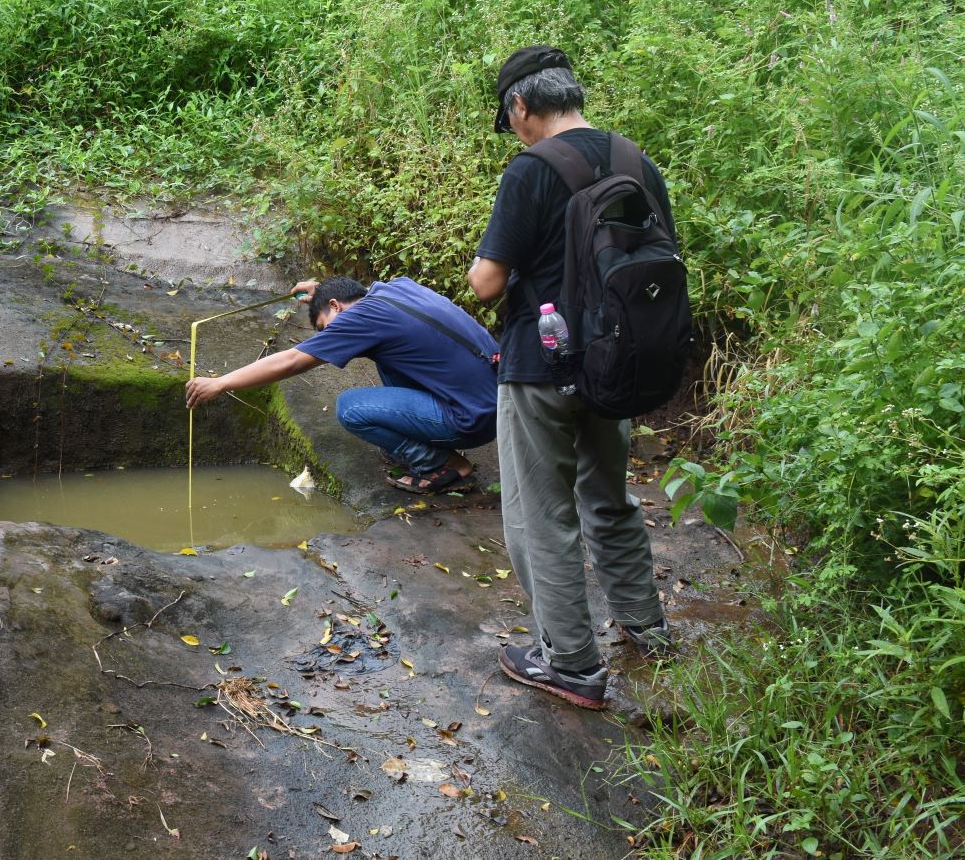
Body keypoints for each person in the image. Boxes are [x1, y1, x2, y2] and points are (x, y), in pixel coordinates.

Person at [467, 45, 675, 711]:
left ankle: (571, 663)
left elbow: (485, 283)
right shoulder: (635, 161)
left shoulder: (531, 170)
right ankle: (647, 627)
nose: (515, 130)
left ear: (521, 106)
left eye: (511, 119)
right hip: (614, 362)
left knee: (540, 515)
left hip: (540, 366)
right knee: (608, 498)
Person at [185, 276, 498, 494]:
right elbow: (350, 292)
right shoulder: (394, 289)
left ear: (335, 305)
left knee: (351, 408)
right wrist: (320, 289)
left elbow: (291, 361)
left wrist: (222, 382)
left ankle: (443, 465)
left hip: (470, 418)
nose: (326, 337)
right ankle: (430, 443)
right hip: (494, 399)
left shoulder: (357, 319)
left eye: (323, 328)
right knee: (388, 356)